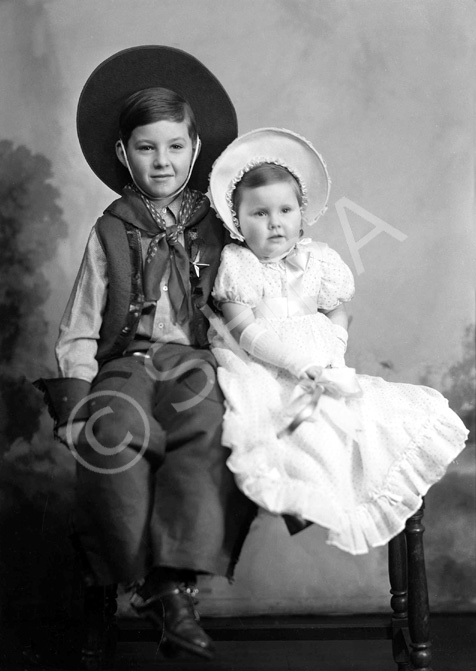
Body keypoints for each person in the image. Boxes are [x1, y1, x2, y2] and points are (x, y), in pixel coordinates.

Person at [34, 47, 256, 661]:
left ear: (196, 149)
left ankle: (174, 580)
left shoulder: (223, 227)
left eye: (175, 147)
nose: (162, 161)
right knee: (116, 427)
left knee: (203, 426)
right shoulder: (110, 229)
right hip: (126, 361)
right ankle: (148, 580)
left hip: (196, 362)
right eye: (147, 148)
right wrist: (75, 399)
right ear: (122, 154)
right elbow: (80, 323)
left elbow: (255, 301)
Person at [207, 127, 469, 554]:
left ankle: (362, 487)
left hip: (322, 360)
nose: (275, 223)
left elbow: (335, 308)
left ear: (301, 213)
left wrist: (334, 344)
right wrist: (296, 364)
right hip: (267, 366)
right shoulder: (239, 264)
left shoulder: (320, 260)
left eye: (285, 210)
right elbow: (245, 331)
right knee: (299, 430)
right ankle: (316, 492)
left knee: (371, 418)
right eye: (259, 214)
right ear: (237, 221)